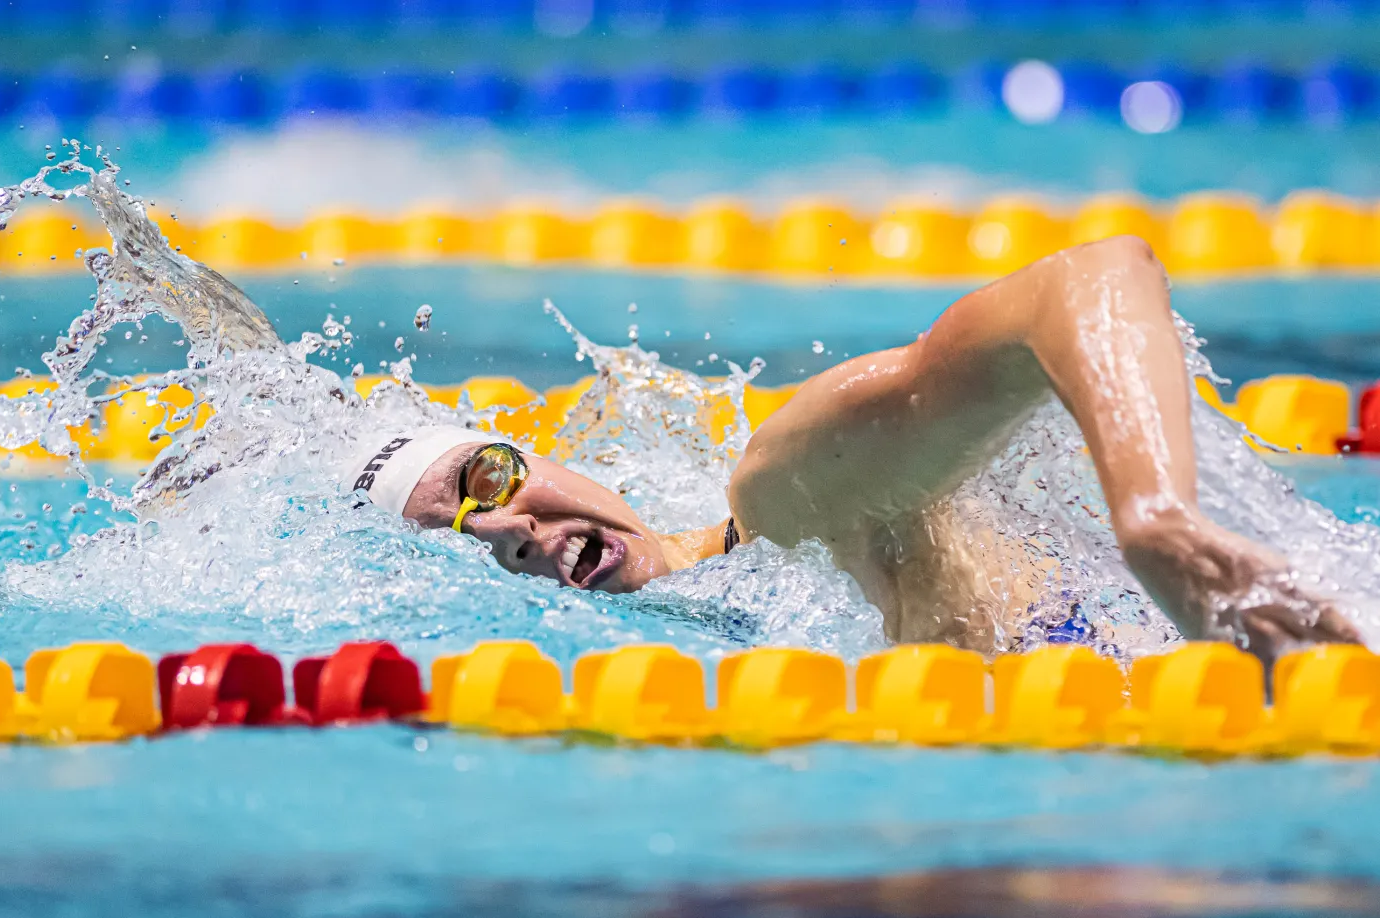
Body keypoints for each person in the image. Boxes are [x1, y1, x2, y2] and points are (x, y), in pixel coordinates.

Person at [342, 236, 1359, 664]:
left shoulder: (789, 498)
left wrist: (1154, 516)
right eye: (462, 542)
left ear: (537, 457)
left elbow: (1090, 277)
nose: (511, 533)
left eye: (487, 480)